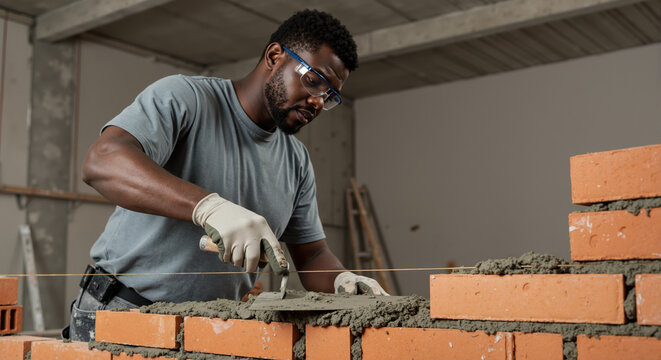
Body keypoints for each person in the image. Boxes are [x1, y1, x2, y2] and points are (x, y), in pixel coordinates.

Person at [64, 9, 387, 342]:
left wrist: (342, 281)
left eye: (329, 96)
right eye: (314, 80)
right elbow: (103, 161)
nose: (318, 102)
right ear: (275, 56)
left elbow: (313, 255)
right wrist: (208, 207)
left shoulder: (297, 162)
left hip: (213, 328)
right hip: (122, 310)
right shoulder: (186, 98)